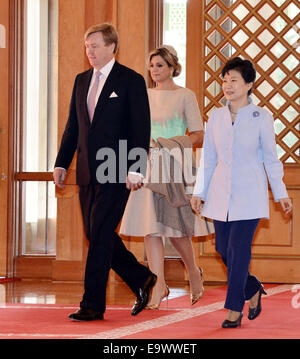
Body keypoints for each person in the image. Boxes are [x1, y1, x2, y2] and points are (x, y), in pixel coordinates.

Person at [53, 23, 157, 321]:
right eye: (87, 46)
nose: (90, 52)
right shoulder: (81, 80)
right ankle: (141, 277)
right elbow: (73, 126)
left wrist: (137, 167)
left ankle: (92, 304)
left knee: (99, 233)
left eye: (95, 46)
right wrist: (62, 162)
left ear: (112, 46)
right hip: (86, 171)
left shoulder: (130, 80)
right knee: (94, 232)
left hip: (117, 169)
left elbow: (141, 127)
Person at [191, 57, 293, 328]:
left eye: (234, 80)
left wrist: (281, 193)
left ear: (249, 84)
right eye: (224, 80)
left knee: (239, 249)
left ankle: (234, 307)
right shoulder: (215, 116)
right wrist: (199, 191)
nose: (227, 85)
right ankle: (252, 288)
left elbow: (271, 159)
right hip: (220, 195)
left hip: (249, 195)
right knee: (223, 249)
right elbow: (209, 159)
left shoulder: (262, 116)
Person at [120, 46, 214, 309]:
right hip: (147, 164)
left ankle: (193, 271)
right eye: (151, 66)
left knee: (175, 228)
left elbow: (198, 134)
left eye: (160, 65)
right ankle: (158, 284)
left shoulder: (185, 95)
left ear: (172, 67)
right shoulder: (143, 95)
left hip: (176, 164)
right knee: (151, 228)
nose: (154, 70)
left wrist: (169, 143)